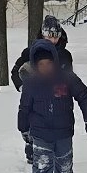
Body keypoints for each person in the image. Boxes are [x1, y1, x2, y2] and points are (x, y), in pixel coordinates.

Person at [17, 39, 87, 173]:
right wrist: (24, 128)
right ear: (35, 65)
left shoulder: (66, 78)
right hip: (40, 132)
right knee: (42, 163)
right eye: (41, 64)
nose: (45, 67)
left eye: (49, 63)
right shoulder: (31, 84)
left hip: (63, 131)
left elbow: (83, 95)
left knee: (64, 164)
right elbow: (24, 108)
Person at [12, 15, 74, 164]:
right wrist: (24, 87)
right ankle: (32, 152)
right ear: (42, 34)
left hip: (58, 100)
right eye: (48, 36)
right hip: (36, 98)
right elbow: (16, 71)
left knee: (57, 128)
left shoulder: (64, 55)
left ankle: (57, 154)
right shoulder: (31, 52)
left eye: (55, 36)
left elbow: (69, 78)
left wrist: (64, 91)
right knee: (34, 124)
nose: (52, 40)